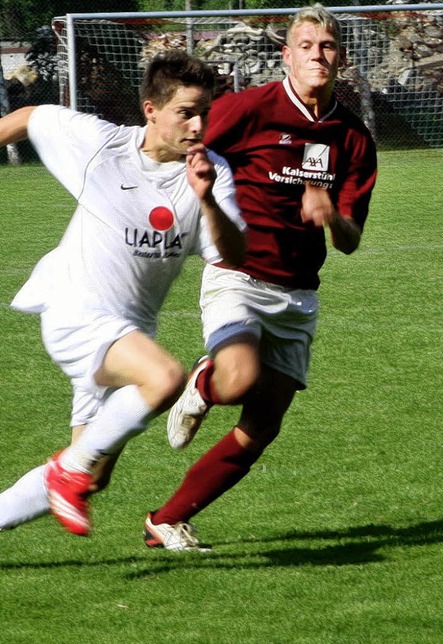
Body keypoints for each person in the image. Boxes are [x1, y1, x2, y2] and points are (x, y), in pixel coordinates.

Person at [143, 4, 377, 551]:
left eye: (328, 47)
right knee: (239, 378)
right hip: (239, 273)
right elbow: (188, 148)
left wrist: (330, 215)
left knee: (262, 425)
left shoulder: (353, 136)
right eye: (307, 46)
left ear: (339, 56)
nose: (318, 56)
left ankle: (167, 519)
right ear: (286, 55)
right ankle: (202, 383)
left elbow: (350, 240)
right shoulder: (249, 109)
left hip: (299, 293)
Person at [0, 51, 246, 538]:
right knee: (166, 377)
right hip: (76, 311)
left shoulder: (211, 171)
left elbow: (233, 255)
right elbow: (31, 117)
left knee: (91, 474)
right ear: (151, 111)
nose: (198, 125)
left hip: (127, 332)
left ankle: (66, 472)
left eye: (205, 113)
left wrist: (208, 200)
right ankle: (65, 470)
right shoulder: (102, 146)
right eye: (186, 112)